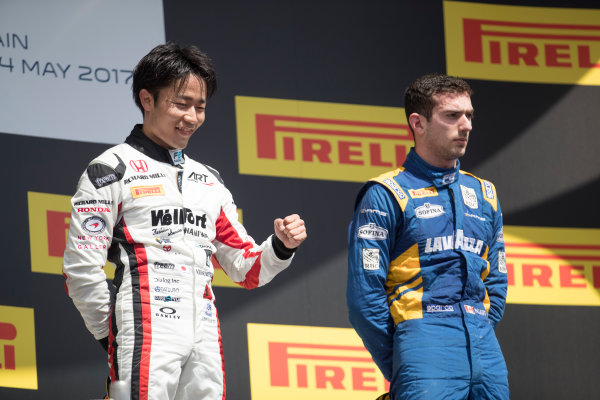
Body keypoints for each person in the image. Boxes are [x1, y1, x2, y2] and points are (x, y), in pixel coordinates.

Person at [63, 42, 307, 400]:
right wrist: (113, 331)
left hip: (205, 333)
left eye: (200, 107)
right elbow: (81, 268)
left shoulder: (208, 180)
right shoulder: (111, 169)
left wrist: (281, 246)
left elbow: (245, 268)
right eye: (181, 104)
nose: (191, 117)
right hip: (144, 327)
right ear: (147, 100)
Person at [347, 73, 508, 400]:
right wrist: (407, 358)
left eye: (469, 115)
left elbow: (497, 281)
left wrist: (476, 332)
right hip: (424, 345)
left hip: (484, 347)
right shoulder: (386, 193)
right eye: (452, 115)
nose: (466, 125)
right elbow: (365, 295)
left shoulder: (485, 193)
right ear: (418, 123)